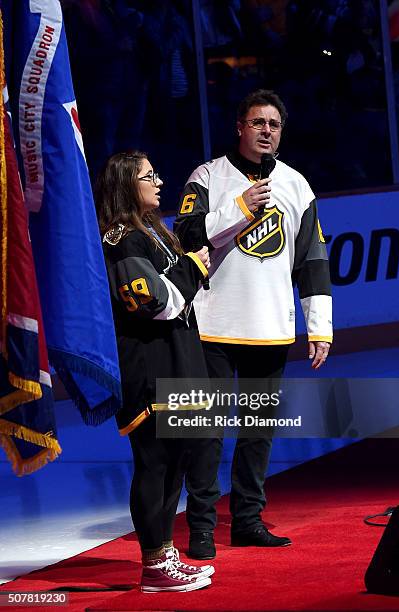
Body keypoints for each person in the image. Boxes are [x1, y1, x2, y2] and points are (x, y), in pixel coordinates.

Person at [174, 89, 332, 559]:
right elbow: (186, 234)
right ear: (239, 127)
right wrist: (241, 207)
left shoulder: (297, 185)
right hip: (214, 327)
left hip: (270, 328)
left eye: (274, 124)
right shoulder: (207, 176)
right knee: (205, 431)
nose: (267, 131)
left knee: (257, 431)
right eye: (258, 122)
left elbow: (313, 261)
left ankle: (247, 520)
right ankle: (201, 526)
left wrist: (319, 326)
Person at [95, 151, 214, 592]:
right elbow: (153, 303)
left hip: (178, 358)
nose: (159, 182)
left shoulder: (155, 231)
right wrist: (192, 267)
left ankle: (165, 553)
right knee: (155, 461)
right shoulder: (120, 238)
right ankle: (152, 564)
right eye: (149, 176)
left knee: (178, 459)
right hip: (148, 364)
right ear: (127, 184)